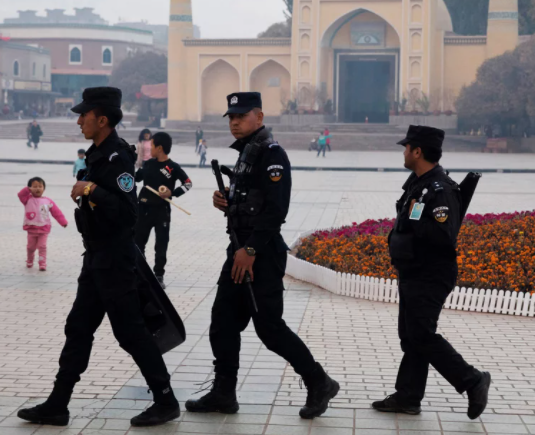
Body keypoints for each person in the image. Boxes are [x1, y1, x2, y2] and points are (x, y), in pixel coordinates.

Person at [17, 87, 180, 428]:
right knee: (78, 328)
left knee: (131, 333)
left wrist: (91, 189)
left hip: (115, 260)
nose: (78, 121)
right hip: (96, 257)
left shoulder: (117, 157)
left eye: (84, 115)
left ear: (101, 119)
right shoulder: (97, 154)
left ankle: (165, 400)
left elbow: (127, 211)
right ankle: (57, 404)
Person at [188, 92, 339, 419]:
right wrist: (229, 201)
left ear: (259, 115)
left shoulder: (272, 155)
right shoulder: (247, 154)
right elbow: (252, 203)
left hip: (261, 254)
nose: (234, 122)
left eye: (241, 116)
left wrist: (252, 250)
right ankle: (223, 393)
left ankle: (319, 381)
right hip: (240, 251)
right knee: (222, 323)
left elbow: (275, 211)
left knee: (269, 329)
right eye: (230, 117)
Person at [374, 125, 491, 419]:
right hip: (414, 271)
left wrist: (416, 221)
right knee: (410, 336)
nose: (403, 152)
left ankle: (472, 380)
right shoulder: (419, 183)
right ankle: (408, 397)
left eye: (406, 147)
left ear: (418, 151)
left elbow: (443, 236)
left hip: (430, 273)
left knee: (422, 335)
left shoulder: (440, 190)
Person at [135, 132, 192, 288]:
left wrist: (171, 193)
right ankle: (140, 272)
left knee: (161, 244)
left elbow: (188, 184)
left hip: (162, 211)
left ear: (159, 148)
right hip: (144, 208)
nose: (149, 148)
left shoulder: (173, 167)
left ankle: (159, 275)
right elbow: (136, 178)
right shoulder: (148, 164)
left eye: (152, 145)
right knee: (138, 241)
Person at [18, 177, 68, 271]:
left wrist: (63, 222)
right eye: (35, 186)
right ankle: (29, 260)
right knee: (30, 247)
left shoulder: (48, 201)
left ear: (44, 188)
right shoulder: (27, 200)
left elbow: (56, 212)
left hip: (44, 228)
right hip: (31, 227)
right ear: (30, 188)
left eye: (40, 186)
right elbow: (20, 195)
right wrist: (27, 190)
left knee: (42, 246)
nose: (37, 189)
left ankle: (42, 263)